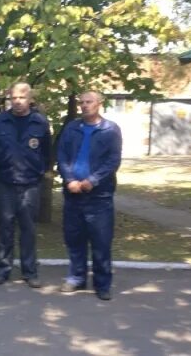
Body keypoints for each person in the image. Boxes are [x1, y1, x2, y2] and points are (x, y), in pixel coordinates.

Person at [57, 90, 122, 301]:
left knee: (101, 241)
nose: (85, 105)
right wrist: (69, 180)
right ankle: (77, 277)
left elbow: (112, 161)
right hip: (73, 194)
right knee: (74, 239)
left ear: (99, 104)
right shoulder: (72, 128)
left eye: (89, 102)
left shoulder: (110, 130)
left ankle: (102, 284)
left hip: (99, 196)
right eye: (82, 102)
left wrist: (91, 181)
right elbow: (62, 156)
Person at [0, 82, 51, 288]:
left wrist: (39, 171)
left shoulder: (40, 123)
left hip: (30, 183)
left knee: (28, 228)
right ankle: (2, 270)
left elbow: (47, 153)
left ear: (30, 99)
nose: (17, 101)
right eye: (14, 97)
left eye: (22, 97)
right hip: (5, 182)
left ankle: (30, 272)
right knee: (5, 226)